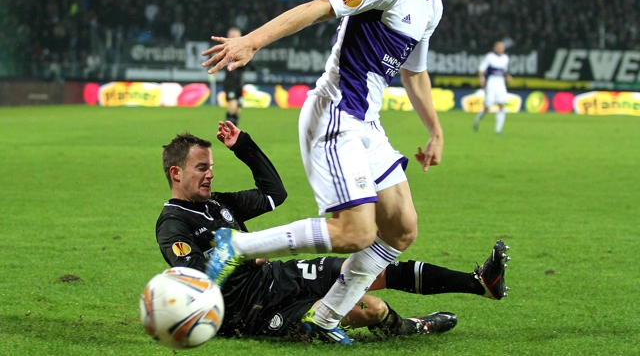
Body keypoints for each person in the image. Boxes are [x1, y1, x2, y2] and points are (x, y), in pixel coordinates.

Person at [201, 0, 480, 344]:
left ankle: (325, 317)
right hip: (335, 113)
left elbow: (414, 72)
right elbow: (319, 7)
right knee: (355, 233)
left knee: (402, 228)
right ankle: (234, 247)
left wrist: (436, 130)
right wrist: (251, 41)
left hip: (367, 124)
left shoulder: (432, 4)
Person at [156, 122, 510, 340]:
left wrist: (245, 147)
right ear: (176, 173)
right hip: (249, 311)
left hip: (278, 276)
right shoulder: (173, 223)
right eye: (201, 168)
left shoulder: (218, 203)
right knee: (370, 308)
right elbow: (196, 275)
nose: (210, 175)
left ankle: (478, 283)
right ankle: (414, 327)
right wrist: (244, 255)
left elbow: (273, 194)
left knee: (368, 268)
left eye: (211, 167)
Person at [472, 40, 513, 134]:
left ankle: (498, 130)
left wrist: (508, 76)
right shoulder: (489, 57)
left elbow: (504, 70)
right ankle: (476, 122)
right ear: (495, 48)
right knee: (487, 107)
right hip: (491, 82)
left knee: (501, 105)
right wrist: (482, 80)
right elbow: (481, 70)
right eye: (499, 47)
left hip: (501, 82)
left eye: (502, 47)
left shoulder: (505, 58)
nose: (500, 49)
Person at [222, 27, 245, 125]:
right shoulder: (225, 50)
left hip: (239, 83)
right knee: (233, 104)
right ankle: (228, 128)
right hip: (230, 83)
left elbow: (251, 65)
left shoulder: (243, 51)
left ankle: (234, 129)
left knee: (238, 108)